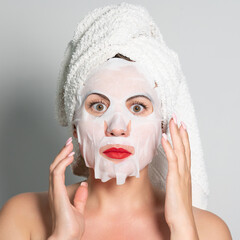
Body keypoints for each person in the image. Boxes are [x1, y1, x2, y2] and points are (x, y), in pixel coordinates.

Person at [0, 3, 232, 240]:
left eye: (138, 107)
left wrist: (183, 231)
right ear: (75, 126)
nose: (117, 128)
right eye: (98, 106)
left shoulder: (208, 231)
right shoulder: (22, 217)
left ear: (162, 125)